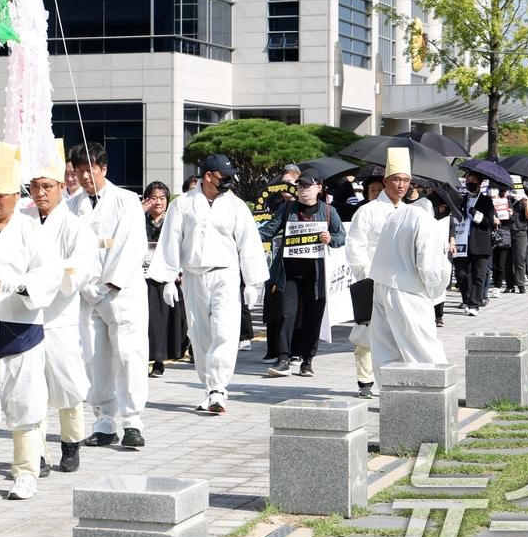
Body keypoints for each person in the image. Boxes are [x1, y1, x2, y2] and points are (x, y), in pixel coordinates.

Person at [148, 154, 268, 413]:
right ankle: (209, 386)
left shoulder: (236, 206)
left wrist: (252, 282)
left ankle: (219, 388)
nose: (229, 181)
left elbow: (248, 243)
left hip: (226, 274)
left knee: (225, 331)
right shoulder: (183, 204)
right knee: (199, 334)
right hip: (193, 276)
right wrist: (168, 279)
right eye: (224, 176)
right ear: (208, 176)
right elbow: (171, 240)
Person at [0, 142, 62, 501]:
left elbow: (50, 271)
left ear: (16, 195)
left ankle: (26, 471)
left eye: (0, 195)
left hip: (20, 326)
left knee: (26, 404)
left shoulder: (31, 230)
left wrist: (24, 284)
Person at [67, 142, 150, 448]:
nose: (84, 177)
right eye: (78, 171)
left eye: (90, 170)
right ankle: (103, 422)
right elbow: (69, 249)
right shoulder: (71, 206)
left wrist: (107, 285)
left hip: (121, 293)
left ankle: (132, 421)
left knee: (129, 357)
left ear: (103, 168)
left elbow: (131, 246)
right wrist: (84, 285)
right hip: (87, 295)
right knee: (94, 360)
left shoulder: (126, 201)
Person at [25, 140, 99, 473]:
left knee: (67, 384)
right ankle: (36, 453)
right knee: (31, 387)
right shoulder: (23, 220)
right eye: (35, 186)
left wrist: (48, 275)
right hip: (26, 313)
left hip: (60, 316)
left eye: (47, 186)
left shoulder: (74, 225)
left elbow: (82, 266)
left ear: (60, 187)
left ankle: (71, 442)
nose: (40, 193)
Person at [256, 168, 346, 378]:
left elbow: (341, 236)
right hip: (289, 274)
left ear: (319, 188)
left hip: (316, 277)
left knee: (313, 318)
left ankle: (307, 361)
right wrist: (244, 234)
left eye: (307, 185)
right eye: (300, 185)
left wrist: (330, 239)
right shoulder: (288, 208)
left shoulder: (328, 211)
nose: (303, 189)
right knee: (286, 315)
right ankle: (283, 359)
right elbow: (269, 230)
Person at [343, 149, 412, 399]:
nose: (401, 185)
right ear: (385, 181)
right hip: (372, 278)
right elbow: (355, 245)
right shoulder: (368, 211)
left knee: (400, 332)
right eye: (396, 179)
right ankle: (365, 380)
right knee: (367, 332)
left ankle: (395, 378)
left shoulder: (410, 212)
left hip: (402, 281)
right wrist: (364, 275)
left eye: (405, 180)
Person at [369, 180, 454, 372]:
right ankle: (433, 387)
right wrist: (435, 290)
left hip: (382, 284)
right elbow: (430, 268)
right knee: (423, 349)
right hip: (408, 289)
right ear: (442, 208)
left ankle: (389, 387)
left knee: (386, 349)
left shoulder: (398, 212)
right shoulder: (426, 221)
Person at [142, 181, 186, 377]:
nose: (158, 202)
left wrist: (179, 271)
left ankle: (159, 360)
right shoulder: (138, 219)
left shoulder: (172, 221)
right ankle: (143, 358)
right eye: (154, 198)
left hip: (166, 276)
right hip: (141, 274)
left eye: (162, 198)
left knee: (161, 321)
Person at [453, 173, 497, 315]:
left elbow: (489, 222)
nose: (469, 183)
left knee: (479, 275)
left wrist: (476, 214)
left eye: (472, 181)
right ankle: (466, 300)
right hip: (462, 241)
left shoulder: (486, 201)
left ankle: (474, 304)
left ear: (479, 183)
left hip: (480, 242)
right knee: (461, 274)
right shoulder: (461, 199)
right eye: (468, 180)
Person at [505, 180, 528, 293]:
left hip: (520, 232)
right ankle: (509, 285)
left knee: (519, 259)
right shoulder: (505, 199)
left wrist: (527, 203)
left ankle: (520, 284)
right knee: (506, 259)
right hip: (506, 231)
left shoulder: (522, 200)